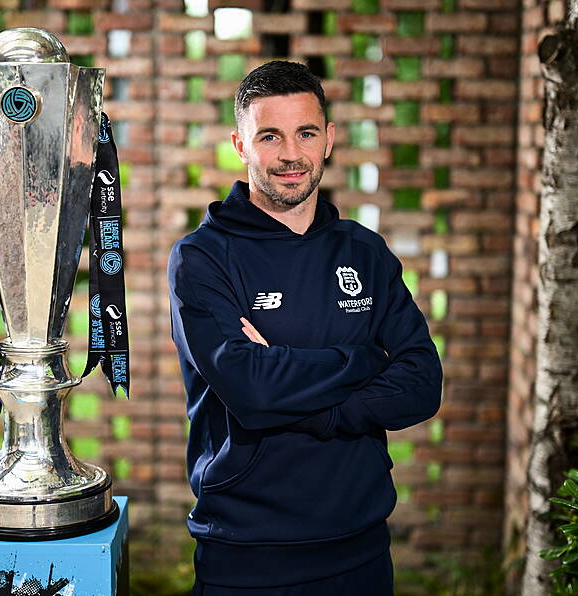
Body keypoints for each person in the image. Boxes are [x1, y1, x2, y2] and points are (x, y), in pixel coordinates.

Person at [167, 60, 443, 595]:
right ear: (240, 144)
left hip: (360, 548)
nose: (291, 154)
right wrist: (366, 362)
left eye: (306, 133)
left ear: (330, 139)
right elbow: (250, 388)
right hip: (245, 553)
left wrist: (306, 395)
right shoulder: (203, 259)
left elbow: (422, 384)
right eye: (270, 136)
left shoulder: (364, 252)